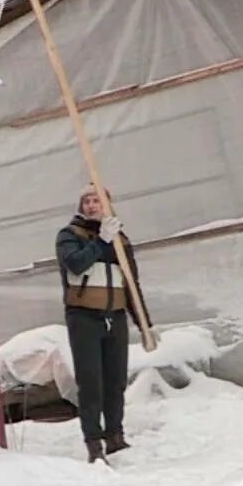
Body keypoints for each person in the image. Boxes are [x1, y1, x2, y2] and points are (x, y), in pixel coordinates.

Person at [56, 186, 141, 464]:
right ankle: (93, 442)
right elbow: (76, 264)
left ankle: (115, 435)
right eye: (87, 201)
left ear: (108, 205)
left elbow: (130, 282)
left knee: (115, 381)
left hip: (114, 316)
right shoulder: (70, 235)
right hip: (84, 317)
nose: (93, 205)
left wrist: (144, 323)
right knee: (91, 382)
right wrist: (100, 241)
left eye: (98, 200)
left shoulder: (120, 239)